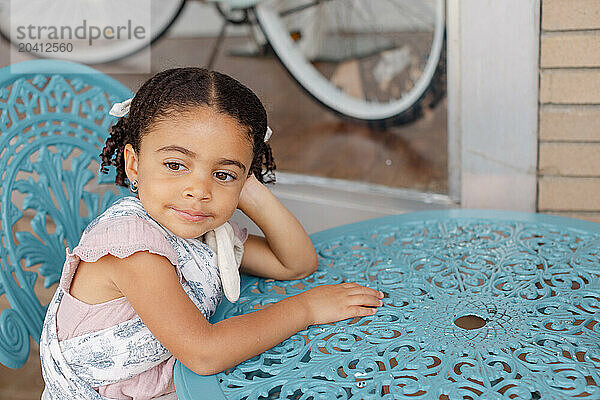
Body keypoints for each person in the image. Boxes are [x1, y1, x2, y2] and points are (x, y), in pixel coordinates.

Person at [39, 67, 384, 400]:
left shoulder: (206, 233)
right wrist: (306, 308)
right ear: (133, 164)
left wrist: (250, 191)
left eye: (223, 175)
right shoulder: (132, 247)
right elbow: (204, 352)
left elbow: (295, 263)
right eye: (175, 165)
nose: (199, 190)